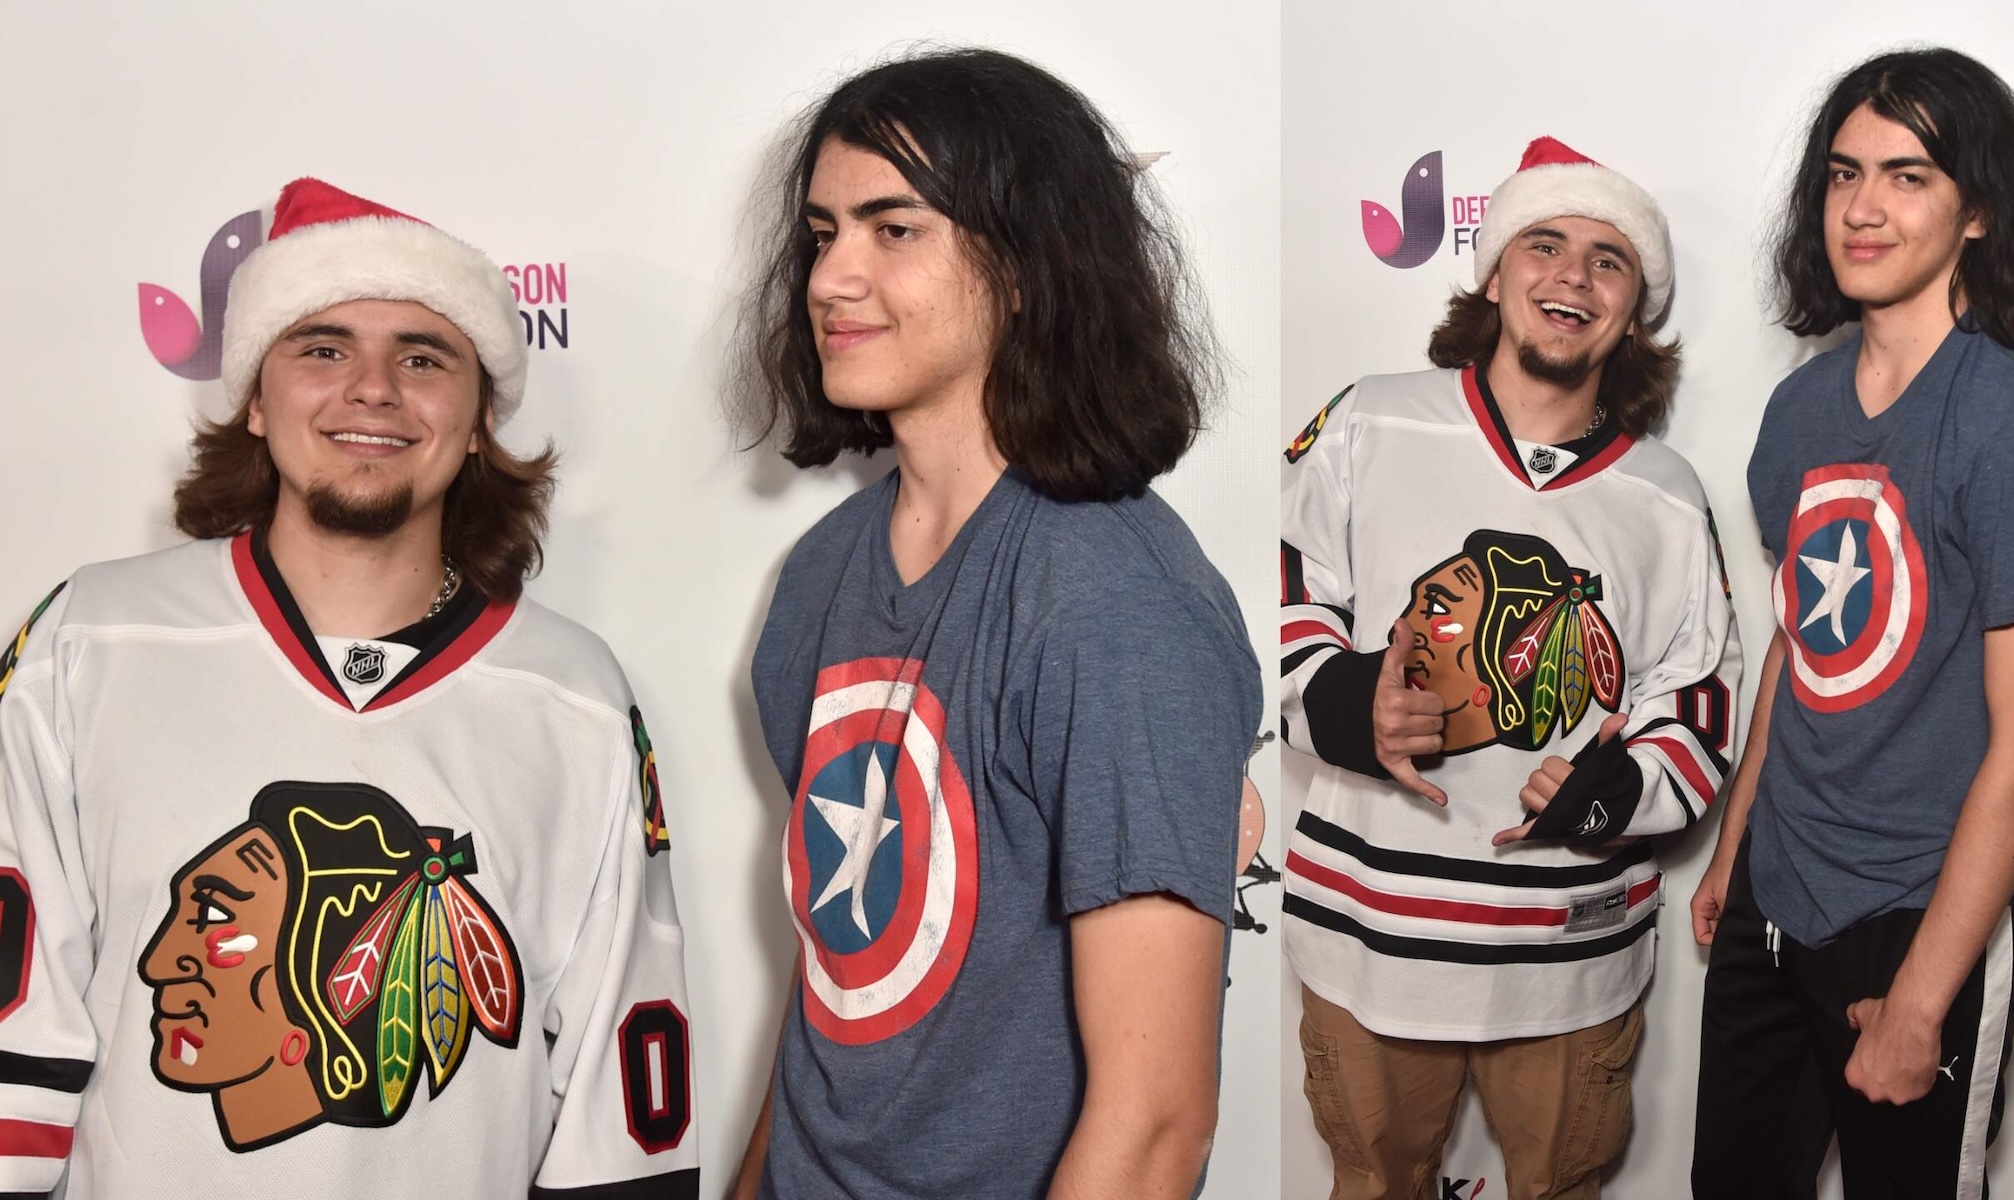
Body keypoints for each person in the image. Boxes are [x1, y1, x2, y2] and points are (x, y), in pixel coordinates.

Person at [0, 178, 697, 1197]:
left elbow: (615, 1096)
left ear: (475, 422)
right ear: (253, 395)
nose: (371, 388)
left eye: (422, 357)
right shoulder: (89, 642)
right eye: (322, 348)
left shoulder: (573, 697)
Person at [723, 46, 1261, 1200]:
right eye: (823, 234)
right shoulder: (818, 575)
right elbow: (837, 979)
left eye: (893, 228)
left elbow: (1159, 1123)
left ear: (1024, 265)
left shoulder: (1112, 597)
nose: (831, 277)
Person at [1279, 137, 1741, 1200]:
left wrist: (1615, 791)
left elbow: (1701, 698)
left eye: (1608, 258)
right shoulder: (1367, 419)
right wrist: (1350, 705)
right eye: (1545, 244)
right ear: (1496, 274)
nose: (1572, 275)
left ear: (1633, 310)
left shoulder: (1667, 494)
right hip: (1373, 940)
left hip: (1569, 960)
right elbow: (1279, 605)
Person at [1690, 48, 2014, 1200]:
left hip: (1923, 917)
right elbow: (1800, 638)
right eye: (1842, 173)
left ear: (1978, 209)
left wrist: (1924, 995)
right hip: (1780, 895)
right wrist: (1736, 849)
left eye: (1908, 176)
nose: (1863, 207)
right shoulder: (1800, 408)